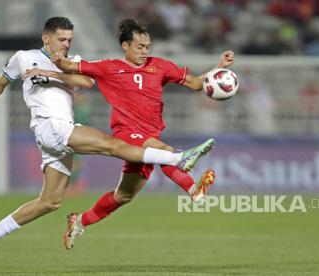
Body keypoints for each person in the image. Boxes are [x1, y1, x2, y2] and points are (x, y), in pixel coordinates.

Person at [0, 17, 214, 266]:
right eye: (62, 39)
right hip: (51, 126)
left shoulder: (72, 62)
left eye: (69, 40)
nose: (66, 44)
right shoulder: (23, 57)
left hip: (59, 134)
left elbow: (86, 81)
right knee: (113, 145)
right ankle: (180, 159)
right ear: (46, 38)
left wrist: (51, 72)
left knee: (50, 202)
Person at [23, 18, 235, 250]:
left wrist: (219, 67)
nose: (145, 52)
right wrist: (56, 62)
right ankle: (194, 189)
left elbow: (196, 84)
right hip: (126, 134)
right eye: (140, 47)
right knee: (163, 150)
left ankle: (79, 221)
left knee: (123, 196)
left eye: (148, 47)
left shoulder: (161, 66)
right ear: (125, 46)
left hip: (150, 134)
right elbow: (72, 67)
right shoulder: (109, 67)